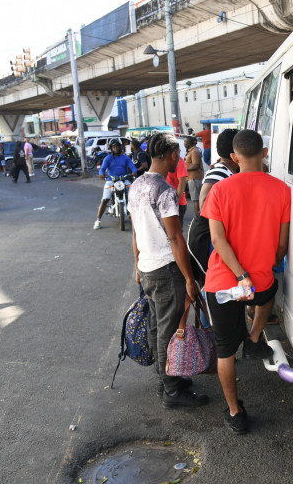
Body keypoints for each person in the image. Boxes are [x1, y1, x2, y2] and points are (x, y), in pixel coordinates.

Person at [202, 129, 290, 434]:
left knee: (225, 350)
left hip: (223, 284)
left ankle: (236, 413)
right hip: (260, 283)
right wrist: (264, 267)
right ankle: (254, 340)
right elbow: (282, 245)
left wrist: (241, 276)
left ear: (235, 157)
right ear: (264, 153)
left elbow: (217, 239)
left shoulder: (220, 190)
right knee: (269, 293)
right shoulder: (282, 190)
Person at [129, 132, 209, 408]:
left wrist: (137, 265)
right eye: (177, 156)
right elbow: (175, 238)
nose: (180, 160)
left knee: (156, 327)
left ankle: (165, 379)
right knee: (168, 330)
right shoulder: (164, 191)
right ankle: (172, 391)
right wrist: (189, 278)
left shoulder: (136, 185)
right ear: (172, 155)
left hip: (148, 268)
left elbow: (136, 234)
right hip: (166, 269)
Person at [186, 128, 238, 289]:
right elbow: (204, 201)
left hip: (212, 237)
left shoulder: (227, 170)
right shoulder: (219, 171)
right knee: (212, 288)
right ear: (235, 152)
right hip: (208, 239)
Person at [94, 139, 137, 230]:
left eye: (117, 146)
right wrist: (101, 174)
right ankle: (98, 220)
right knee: (105, 199)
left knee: (132, 196)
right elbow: (102, 169)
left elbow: (133, 167)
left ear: (120, 147)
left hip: (124, 180)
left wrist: (134, 171)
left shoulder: (125, 158)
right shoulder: (108, 158)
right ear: (111, 148)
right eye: (114, 147)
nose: (116, 148)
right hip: (111, 181)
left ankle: (137, 218)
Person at [166, 155, 189, 228]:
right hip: (164, 202)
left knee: (176, 233)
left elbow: (182, 183)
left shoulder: (179, 161)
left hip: (176, 203)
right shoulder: (162, 159)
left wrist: (175, 202)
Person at [184, 136, 204, 217]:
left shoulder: (194, 151)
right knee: (196, 199)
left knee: (196, 200)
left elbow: (195, 165)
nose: (184, 143)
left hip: (195, 178)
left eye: (185, 142)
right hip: (192, 178)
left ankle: (198, 218)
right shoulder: (191, 151)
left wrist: (185, 169)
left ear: (190, 142)